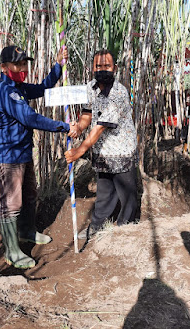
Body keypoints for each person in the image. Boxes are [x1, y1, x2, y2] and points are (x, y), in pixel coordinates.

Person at [0, 45, 78, 269]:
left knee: (30, 194)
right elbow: (30, 118)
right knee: (12, 202)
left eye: (24, 63)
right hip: (7, 156)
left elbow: (43, 87)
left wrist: (58, 66)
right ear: (4, 67)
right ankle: (11, 251)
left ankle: (27, 231)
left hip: (23, 153)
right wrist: (64, 127)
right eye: (17, 64)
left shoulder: (19, 88)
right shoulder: (5, 91)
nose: (22, 68)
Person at [65, 49, 139, 240]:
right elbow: (88, 114)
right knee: (105, 191)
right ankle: (97, 226)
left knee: (127, 194)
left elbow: (99, 128)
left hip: (121, 149)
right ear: (92, 68)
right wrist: (79, 128)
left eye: (107, 66)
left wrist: (78, 151)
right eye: (98, 66)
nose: (102, 69)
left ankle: (126, 229)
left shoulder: (118, 93)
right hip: (102, 151)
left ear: (114, 68)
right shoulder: (90, 87)